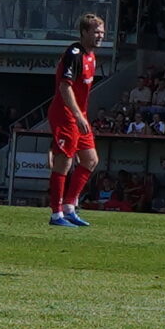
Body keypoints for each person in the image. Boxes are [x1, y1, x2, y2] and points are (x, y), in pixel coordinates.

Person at [47, 14, 105, 227]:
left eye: (102, 32)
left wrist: (81, 115)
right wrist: (78, 115)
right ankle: (56, 215)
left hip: (79, 114)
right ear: (84, 33)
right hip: (65, 113)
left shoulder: (91, 56)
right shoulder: (74, 54)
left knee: (90, 160)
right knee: (64, 161)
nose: (100, 36)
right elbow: (64, 87)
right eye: (95, 32)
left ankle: (70, 208)